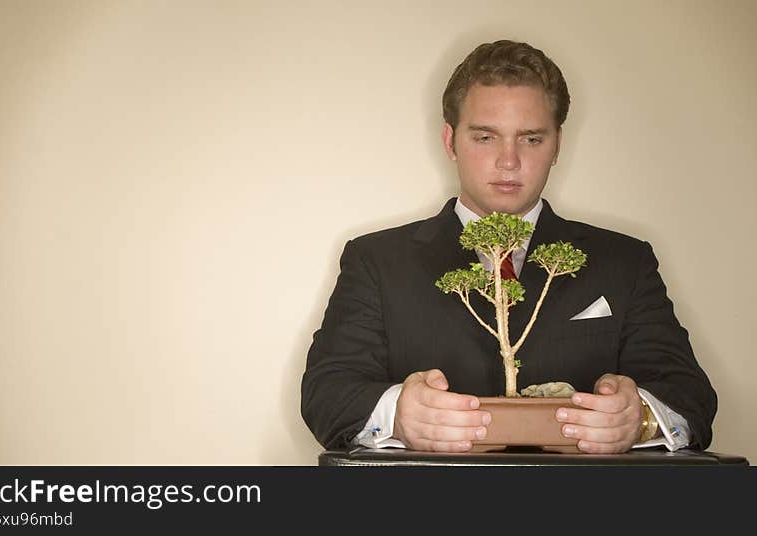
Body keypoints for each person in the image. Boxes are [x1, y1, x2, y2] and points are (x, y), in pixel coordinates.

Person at [301, 39, 717, 454]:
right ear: (450, 141)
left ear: (557, 145)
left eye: (531, 139)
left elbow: (691, 397)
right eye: (485, 137)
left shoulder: (625, 262)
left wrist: (640, 419)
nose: (509, 161)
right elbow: (327, 394)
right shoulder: (377, 261)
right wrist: (399, 416)